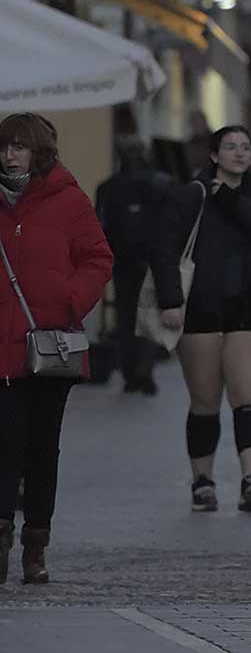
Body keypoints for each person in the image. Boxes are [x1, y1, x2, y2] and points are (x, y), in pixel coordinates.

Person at [0, 112, 114, 584]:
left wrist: (70, 301)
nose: (9, 155)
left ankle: (36, 546)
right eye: (4, 146)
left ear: (38, 152)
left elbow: (98, 258)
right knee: (5, 444)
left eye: (19, 147)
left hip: (50, 347)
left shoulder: (68, 200)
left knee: (42, 448)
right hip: (1, 347)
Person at [150, 126, 251, 514]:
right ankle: (203, 481)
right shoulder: (189, 196)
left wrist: (229, 199)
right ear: (213, 155)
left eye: (245, 147)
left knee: (248, 398)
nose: (239, 154)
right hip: (200, 309)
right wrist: (170, 300)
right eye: (230, 147)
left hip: (249, 308)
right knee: (205, 401)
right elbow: (163, 248)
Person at [96, 139, 172, 394]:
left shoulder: (108, 187)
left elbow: (100, 226)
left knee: (125, 317)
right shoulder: (161, 183)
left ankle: (129, 372)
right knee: (149, 316)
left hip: (121, 262)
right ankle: (145, 370)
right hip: (152, 262)